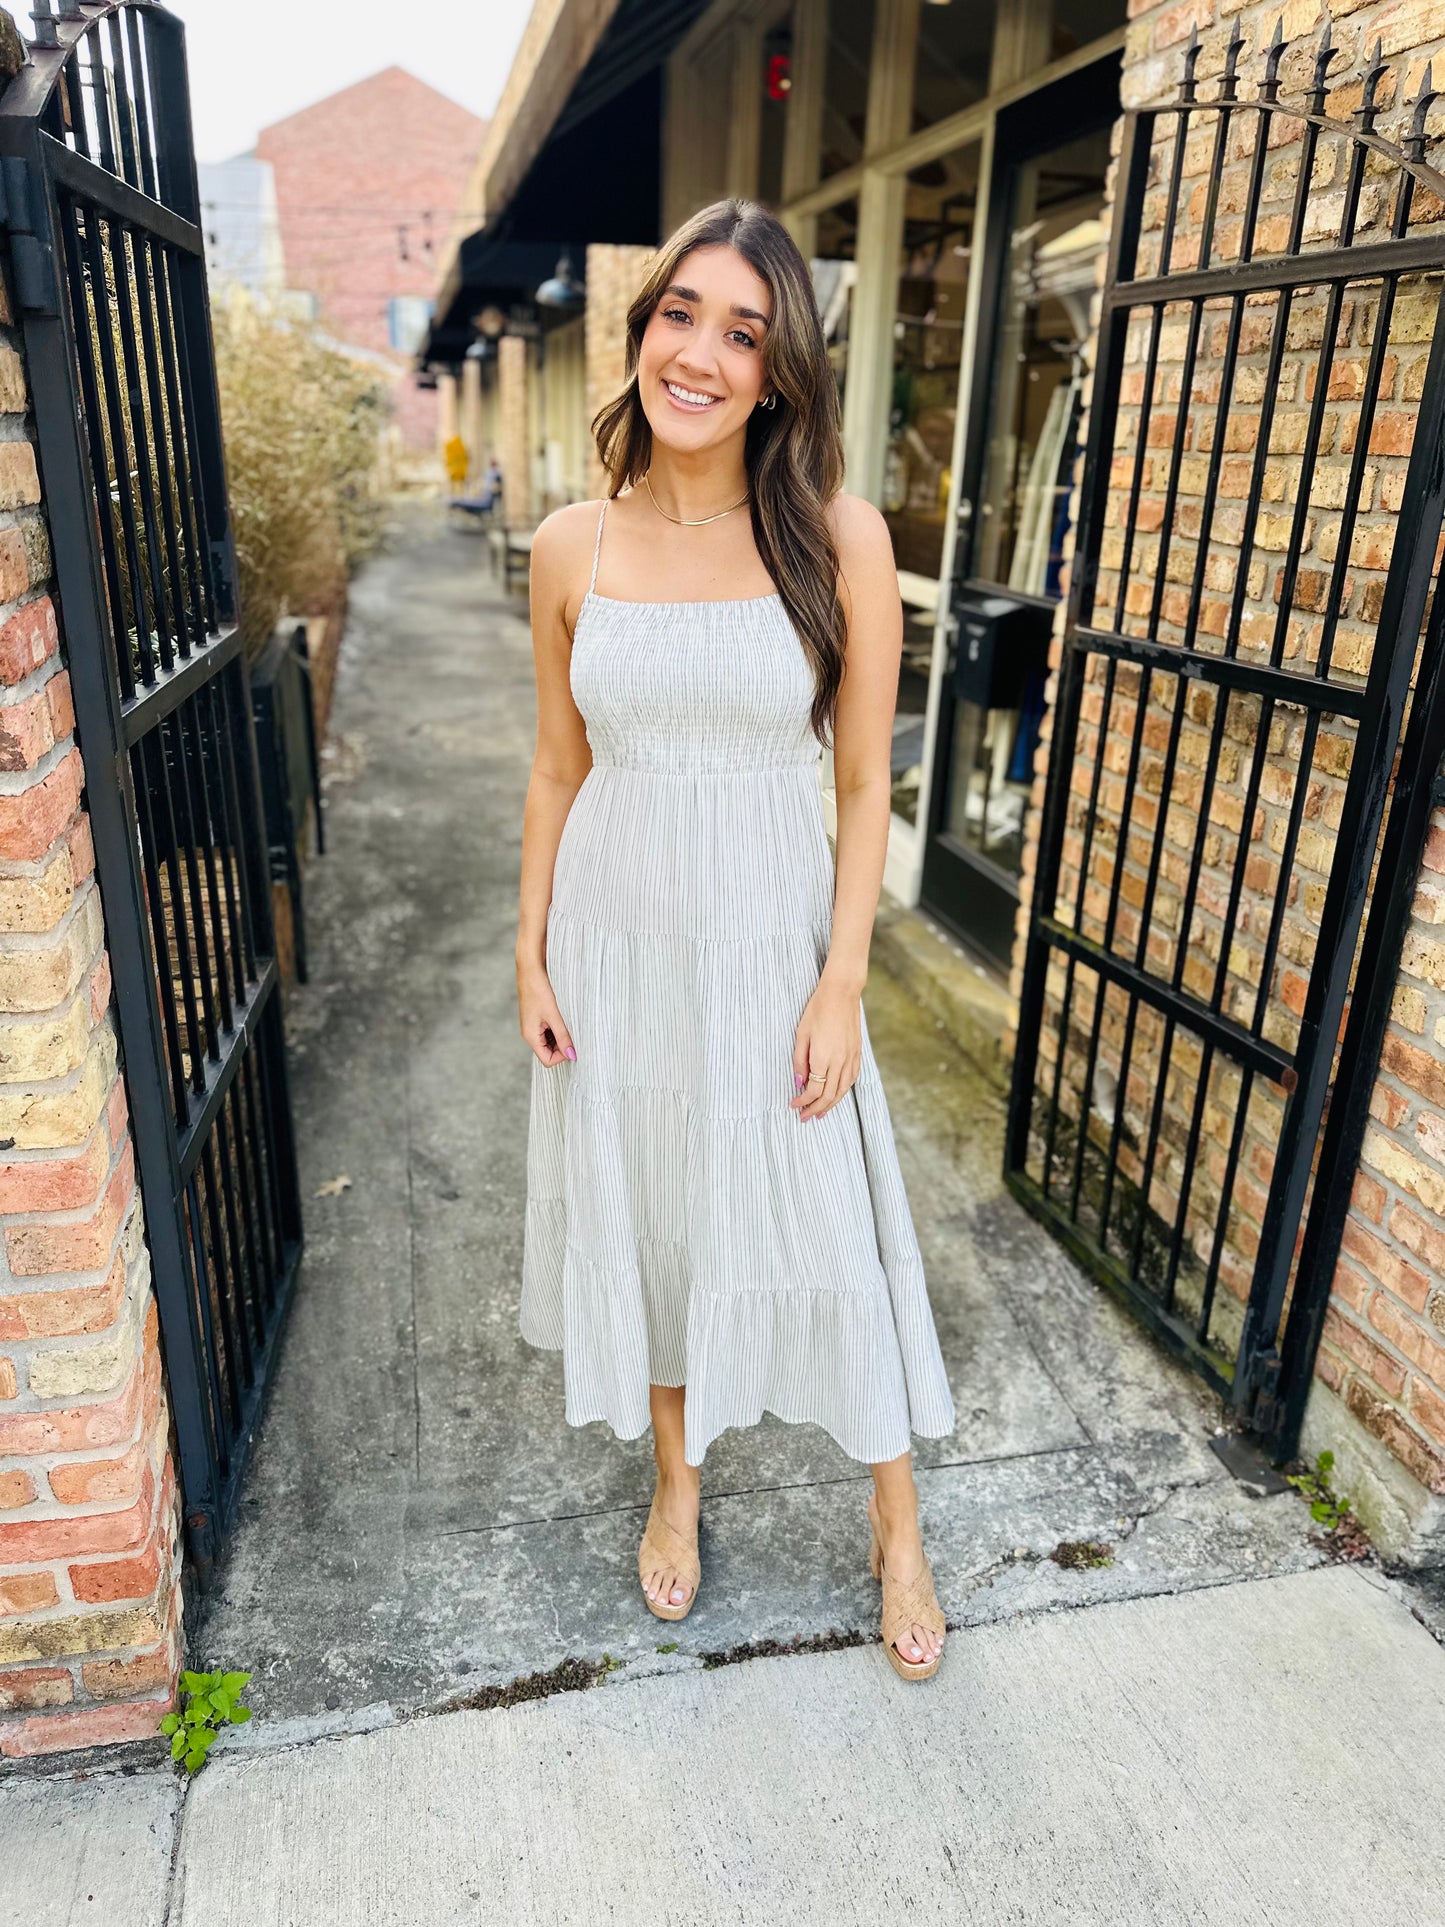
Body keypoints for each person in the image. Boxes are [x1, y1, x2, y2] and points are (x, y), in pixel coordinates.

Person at [515, 198, 956, 1680]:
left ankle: (896, 1521)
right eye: (679, 314)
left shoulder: (838, 537)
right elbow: (558, 767)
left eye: (742, 331)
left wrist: (843, 980)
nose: (698, 354)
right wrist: (530, 949)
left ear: (778, 374)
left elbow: (861, 782)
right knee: (656, 1218)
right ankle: (676, 1481)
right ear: (643, 330)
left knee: (823, 1226)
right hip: (617, 943)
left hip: (774, 949)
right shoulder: (571, 545)